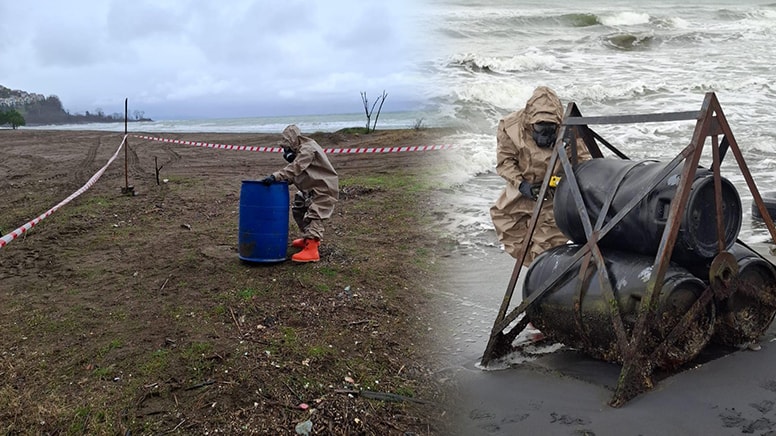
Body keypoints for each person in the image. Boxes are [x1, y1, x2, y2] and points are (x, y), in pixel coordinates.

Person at [489, 86, 591, 266]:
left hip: (554, 193)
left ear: (557, 124)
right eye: (540, 130)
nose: (544, 136)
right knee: (507, 226)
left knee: (546, 243)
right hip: (522, 189)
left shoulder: (568, 130)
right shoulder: (511, 127)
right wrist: (521, 185)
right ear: (529, 123)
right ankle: (536, 268)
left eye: (549, 130)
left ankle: (541, 274)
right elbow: (505, 162)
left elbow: (584, 163)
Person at [261, 125, 339, 263]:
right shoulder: (299, 152)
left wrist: (276, 176)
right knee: (298, 208)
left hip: (324, 189)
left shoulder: (308, 149)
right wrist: (279, 181)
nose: (286, 152)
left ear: (293, 142)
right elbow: (297, 174)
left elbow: (296, 167)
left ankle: (312, 249)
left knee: (315, 214)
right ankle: (308, 238)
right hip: (311, 189)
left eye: (287, 148)